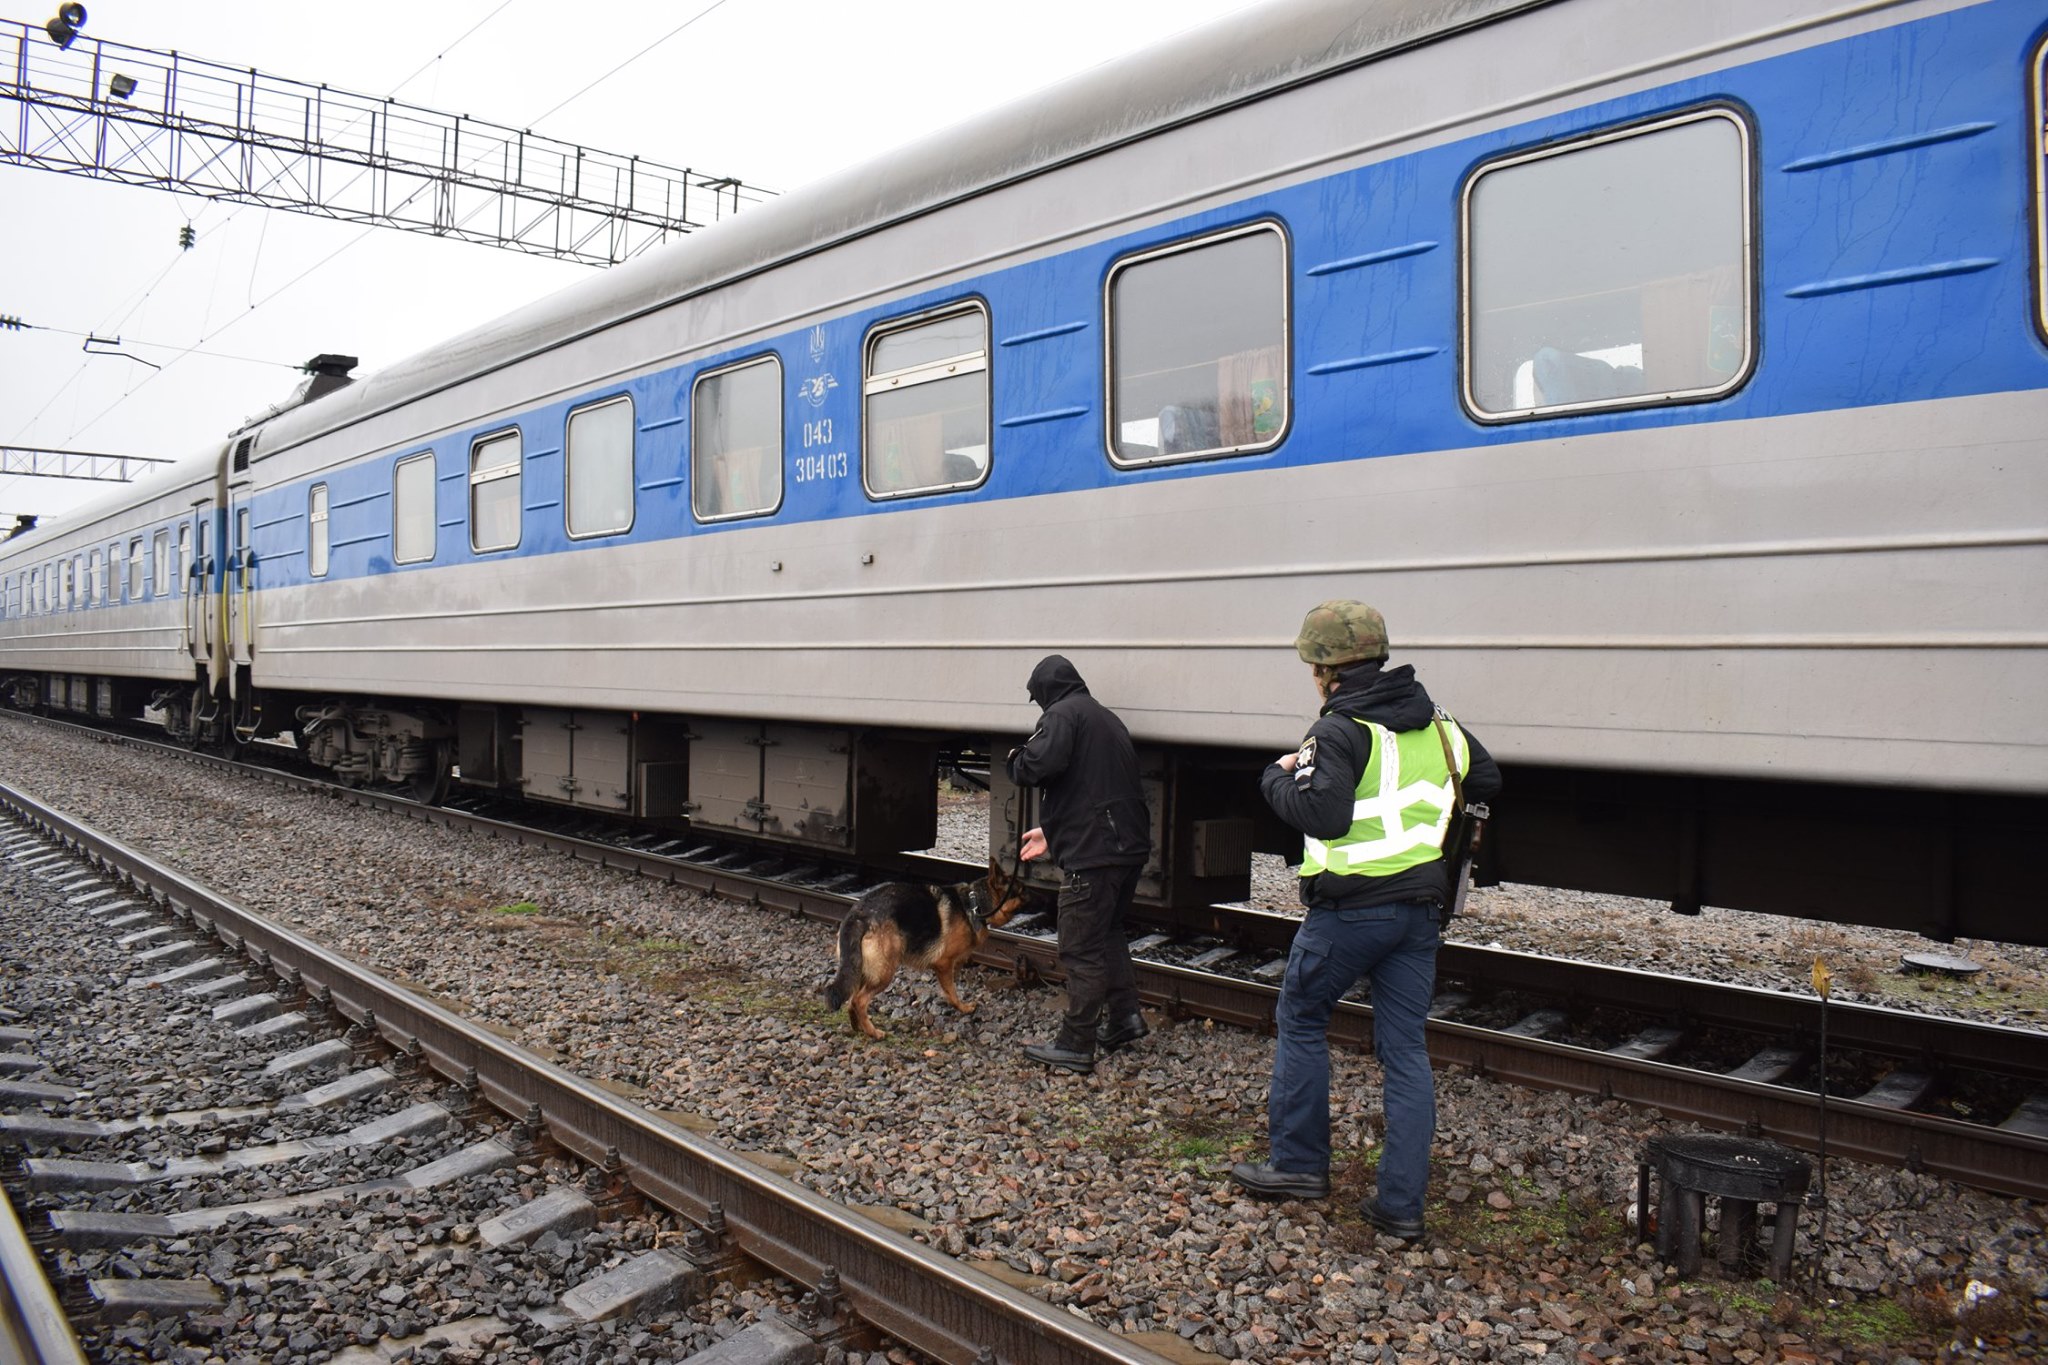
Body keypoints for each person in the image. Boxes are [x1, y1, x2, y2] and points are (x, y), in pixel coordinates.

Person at [1229, 601, 1502, 1240]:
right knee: (1405, 1049)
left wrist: (1275, 777)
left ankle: (1298, 1165)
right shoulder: (1440, 724)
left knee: (1300, 1018)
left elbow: (1322, 816)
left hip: (1349, 913)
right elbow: (1485, 777)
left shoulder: (1338, 731)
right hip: (1418, 917)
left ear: (1325, 670)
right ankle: (1400, 1208)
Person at [1006, 654, 1152, 1075]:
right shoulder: (1105, 718)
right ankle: (1124, 1018)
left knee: (1080, 947)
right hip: (1126, 848)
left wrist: (1016, 758)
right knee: (1107, 933)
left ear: (1046, 692)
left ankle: (1076, 1043)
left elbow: (1038, 765)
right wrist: (1051, 832)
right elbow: (1092, 786)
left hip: (1094, 854)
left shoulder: (1063, 715)